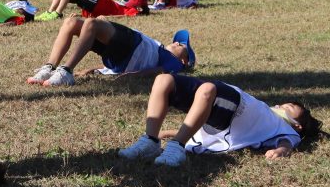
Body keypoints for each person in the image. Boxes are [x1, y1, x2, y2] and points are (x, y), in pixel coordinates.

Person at [118, 73, 323, 167]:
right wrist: (165, 133)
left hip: (237, 107)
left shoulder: (286, 130)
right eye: (282, 104)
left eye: (288, 108)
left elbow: (287, 143)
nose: (280, 107)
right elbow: (199, 130)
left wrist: (281, 151)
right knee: (164, 80)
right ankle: (150, 141)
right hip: (231, 102)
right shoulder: (266, 111)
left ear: (297, 124)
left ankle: (176, 148)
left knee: (208, 89)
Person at [26, 17, 194, 87]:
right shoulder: (160, 49)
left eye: (182, 46)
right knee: (71, 22)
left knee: (92, 24)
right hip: (123, 52)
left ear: (185, 61)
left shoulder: (175, 63)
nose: (177, 42)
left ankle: (66, 71)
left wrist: (133, 76)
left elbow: (158, 71)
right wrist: (95, 69)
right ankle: (49, 67)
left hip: (132, 44)